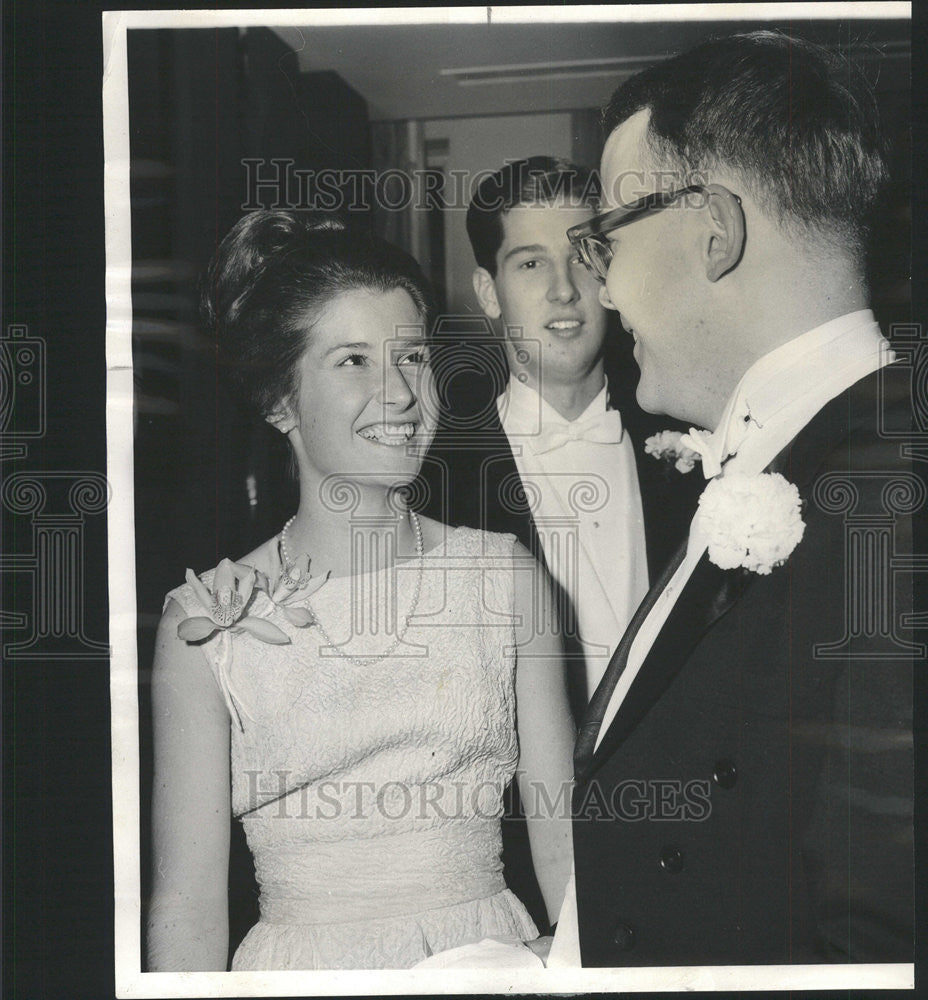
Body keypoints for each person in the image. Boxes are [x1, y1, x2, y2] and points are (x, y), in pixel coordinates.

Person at [553, 31, 916, 966]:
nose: (602, 291)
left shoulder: (896, 498)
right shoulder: (785, 459)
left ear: (713, 230)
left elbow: (879, 940)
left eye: (606, 241)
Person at [146, 211, 574, 971]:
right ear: (281, 401)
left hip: (489, 962)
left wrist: (568, 964)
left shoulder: (504, 577)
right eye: (351, 361)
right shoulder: (204, 623)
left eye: (412, 358)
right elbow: (186, 908)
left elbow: (565, 836)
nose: (400, 394)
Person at [419, 157, 700, 932]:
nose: (563, 290)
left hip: (697, 828)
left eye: (583, 254)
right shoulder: (433, 479)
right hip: (521, 861)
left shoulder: (710, 446)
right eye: (530, 263)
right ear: (488, 292)